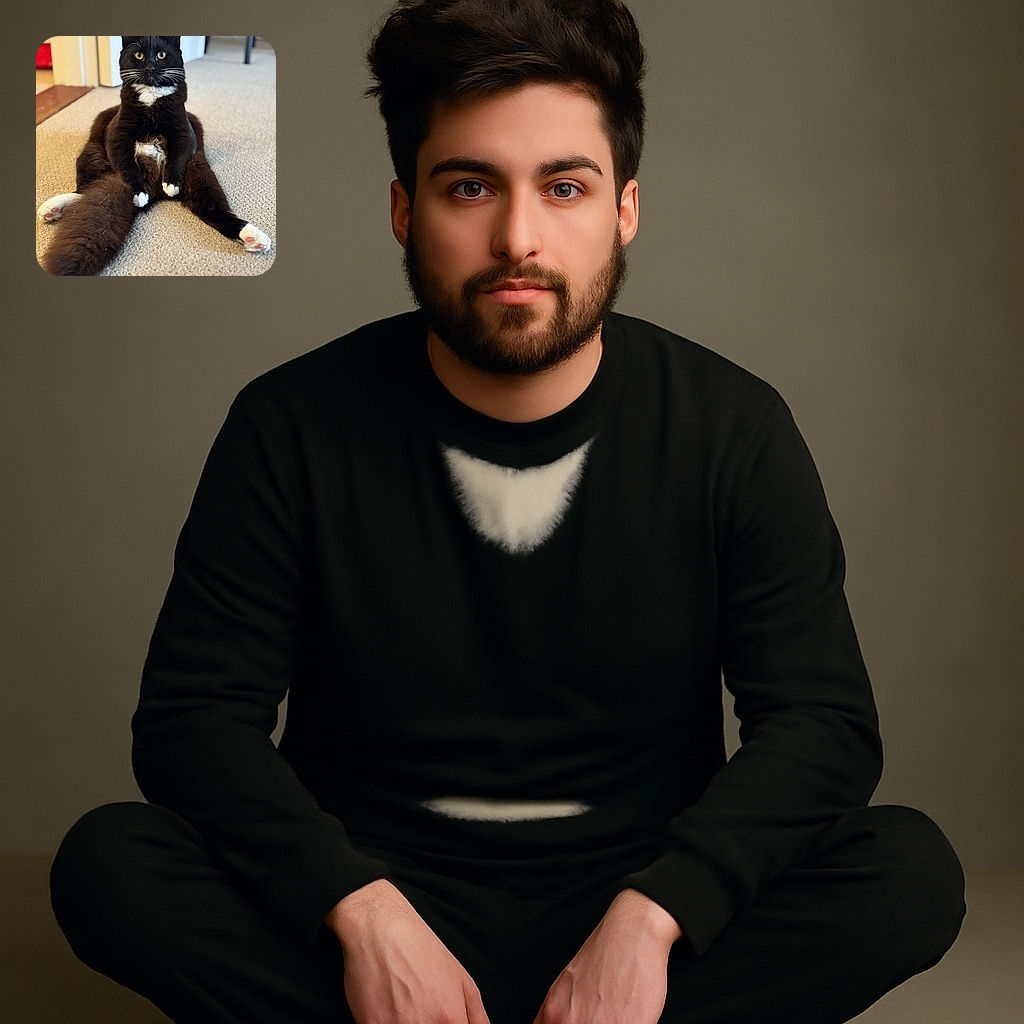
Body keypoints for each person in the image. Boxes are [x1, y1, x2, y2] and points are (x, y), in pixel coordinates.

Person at [50, 2, 965, 1022]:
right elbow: (192, 725)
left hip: (637, 910)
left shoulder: (733, 427)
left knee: (909, 871)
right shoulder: (291, 425)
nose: (517, 237)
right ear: (405, 210)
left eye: (563, 187)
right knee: (109, 863)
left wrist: (658, 914)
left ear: (623, 210)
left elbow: (823, 726)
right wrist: (355, 908)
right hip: (373, 904)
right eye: (470, 186)